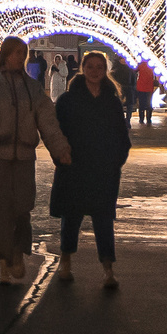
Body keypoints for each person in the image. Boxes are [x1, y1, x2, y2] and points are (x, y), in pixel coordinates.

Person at [0, 36, 74, 284]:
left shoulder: (32, 88)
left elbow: (47, 122)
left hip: (24, 156)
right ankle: (3, 260)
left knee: (23, 207)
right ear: (5, 55)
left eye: (22, 54)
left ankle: (18, 252)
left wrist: (60, 149)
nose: (19, 58)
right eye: (15, 53)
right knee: (2, 210)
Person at [52, 48, 131, 287]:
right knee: (71, 216)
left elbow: (121, 135)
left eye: (99, 67)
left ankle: (108, 268)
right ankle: (65, 260)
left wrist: (116, 160)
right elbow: (57, 132)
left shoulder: (111, 100)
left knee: (103, 219)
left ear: (106, 71)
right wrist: (62, 156)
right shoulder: (68, 100)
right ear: (82, 69)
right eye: (90, 67)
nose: (95, 71)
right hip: (74, 167)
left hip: (103, 170)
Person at [133, 56, 158, 127]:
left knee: (142, 103)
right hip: (148, 87)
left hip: (141, 86)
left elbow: (134, 72)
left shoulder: (139, 65)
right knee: (148, 104)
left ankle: (142, 119)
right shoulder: (152, 65)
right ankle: (148, 119)